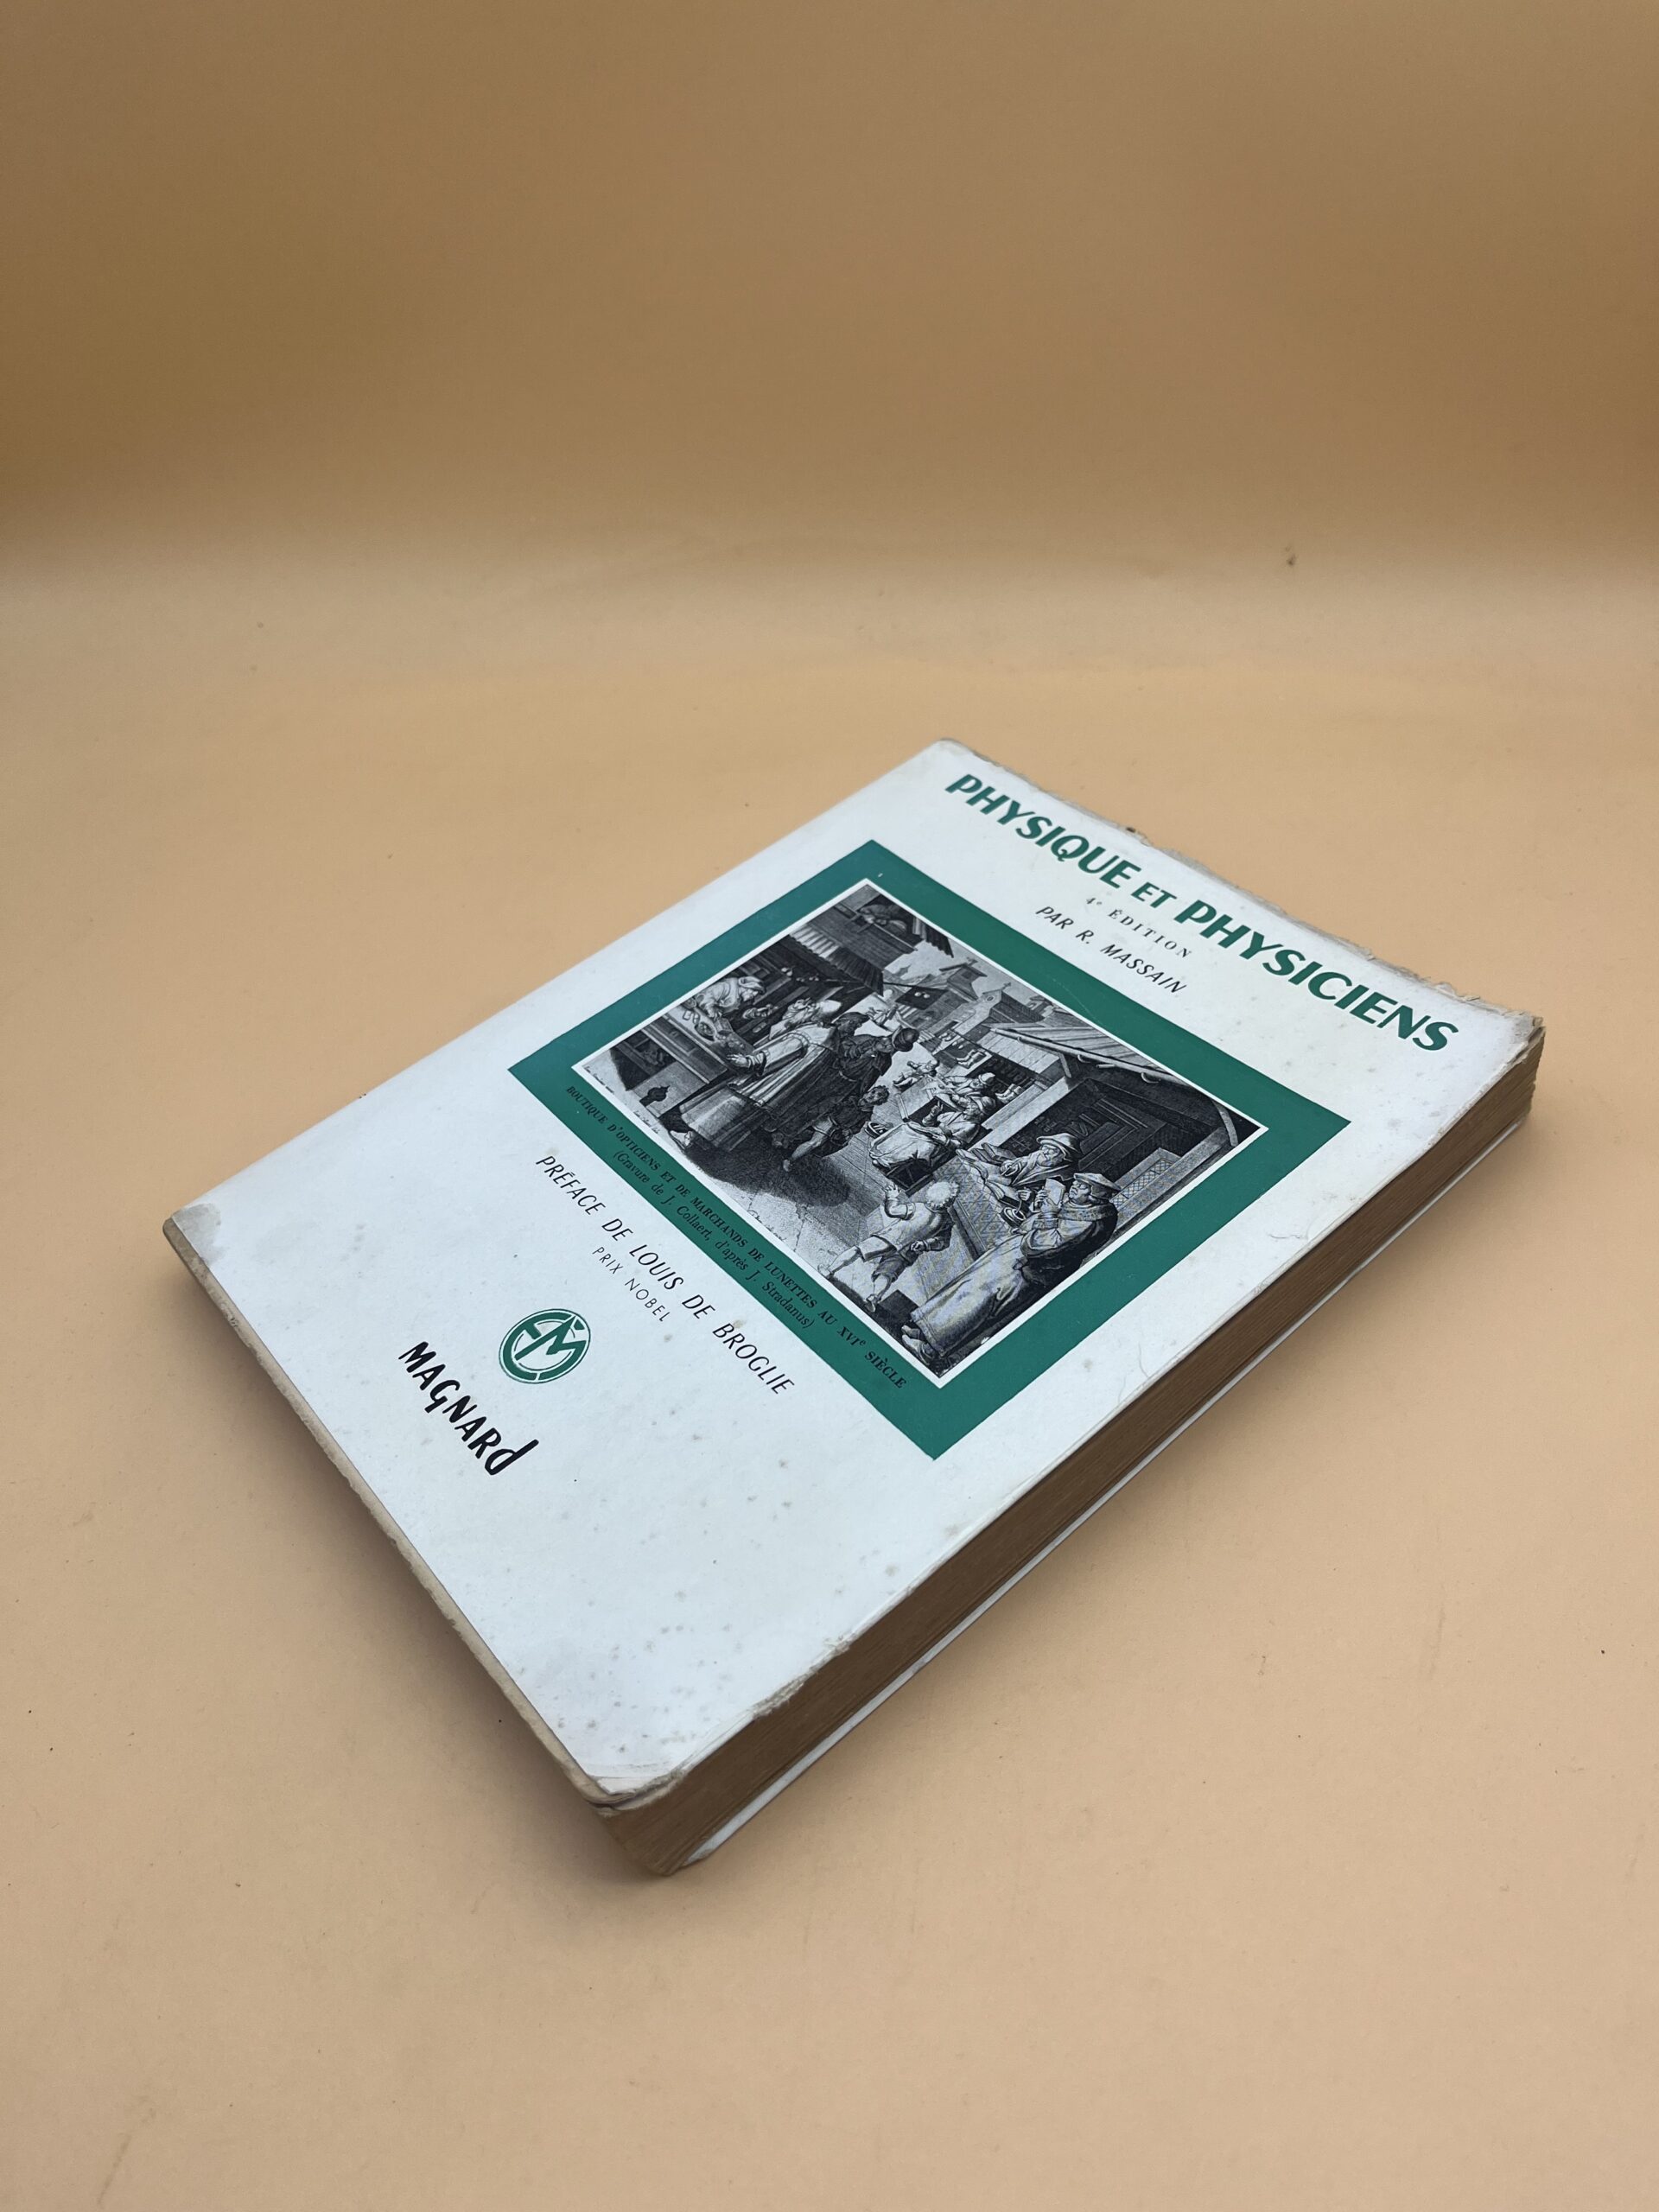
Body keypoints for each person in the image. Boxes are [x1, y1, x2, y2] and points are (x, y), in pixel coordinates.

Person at [900, 1169, 1118, 1370]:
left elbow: (1046, 1246)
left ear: (1094, 1196)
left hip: (1025, 1271)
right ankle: (924, 1329)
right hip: (1011, 1255)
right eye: (1077, 1183)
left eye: (1082, 1186)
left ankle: (929, 1350)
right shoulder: (1077, 1207)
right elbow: (1034, 1226)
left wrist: (1048, 1213)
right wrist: (1038, 1207)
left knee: (976, 1305)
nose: (1074, 1187)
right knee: (965, 1287)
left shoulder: (1088, 1222)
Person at [827, 1179, 959, 1306]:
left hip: (889, 1239)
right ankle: (874, 1297)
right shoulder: (946, 1221)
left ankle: (830, 1270)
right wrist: (925, 1244)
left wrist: (891, 1197)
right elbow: (943, 1242)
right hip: (908, 1253)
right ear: (949, 1201)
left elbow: (892, 1211)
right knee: (886, 1273)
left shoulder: (917, 1207)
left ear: (931, 1194)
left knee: (858, 1250)